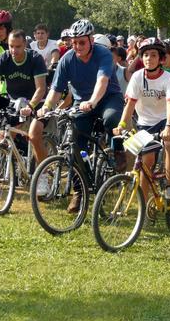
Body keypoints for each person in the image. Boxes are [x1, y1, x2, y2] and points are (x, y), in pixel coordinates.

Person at [37, 19, 125, 201]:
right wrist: (46, 107)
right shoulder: (67, 59)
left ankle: (118, 150)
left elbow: (102, 82)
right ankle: (79, 191)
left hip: (108, 98)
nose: (77, 46)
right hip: (82, 103)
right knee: (76, 143)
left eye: (82, 42)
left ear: (91, 40)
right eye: (74, 42)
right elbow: (56, 90)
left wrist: (93, 101)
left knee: (111, 119)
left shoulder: (103, 54)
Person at [113, 38, 170, 200]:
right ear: (141, 58)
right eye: (146, 55)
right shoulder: (137, 77)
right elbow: (130, 104)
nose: (149, 58)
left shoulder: (168, 77)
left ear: (161, 58)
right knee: (146, 161)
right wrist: (121, 124)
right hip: (145, 122)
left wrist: (169, 126)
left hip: (166, 119)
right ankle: (143, 204)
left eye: (154, 55)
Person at [0, 29, 48, 161]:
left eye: (18, 46)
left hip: (37, 102)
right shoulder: (4, 58)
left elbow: (41, 88)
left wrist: (30, 106)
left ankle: (42, 171)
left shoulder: (35, 59)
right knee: (3, 136)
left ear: (25, 44)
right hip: (15, 102)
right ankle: (3, 167)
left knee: (34, 136)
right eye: (11, 46)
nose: (14, 50)